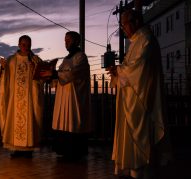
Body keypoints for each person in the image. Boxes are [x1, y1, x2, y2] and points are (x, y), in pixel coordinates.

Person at [107, 9, 172, 179]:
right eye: (121, 25)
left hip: (141, 98)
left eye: (124, 24)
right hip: (130, 98)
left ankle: (142, 169)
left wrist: (120, 70)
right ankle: (131, 166)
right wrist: (117, 71)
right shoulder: (135, 41)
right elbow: (129, 67)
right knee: (129, 135)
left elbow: (140, 68)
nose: (123, 29)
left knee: (141, 134)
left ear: (135, 22)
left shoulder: (147, 39)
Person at [0, 35, 44, 158]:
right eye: (23, 44)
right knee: (14, 120)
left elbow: (42, 77)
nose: (25, 47)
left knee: (31, 119)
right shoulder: (12, 60)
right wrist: (2, 68)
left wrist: (37, 70)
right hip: (15, 98)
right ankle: (16, 149)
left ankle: (29, 149)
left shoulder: (35, 60)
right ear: (18, 45)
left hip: (30, 97)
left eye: (28, 45)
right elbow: (3, 75)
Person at [51, 31, 93, 159]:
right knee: (63, 121)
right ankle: (64, 150)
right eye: (65, 40)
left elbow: (74, 73)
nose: (66, 43)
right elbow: (60, 75)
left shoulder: (81, 57)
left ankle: (75, 151)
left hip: (74, 98)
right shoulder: (66, 59)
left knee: (73, 120)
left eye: (68, 40)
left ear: (76, 41)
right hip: (63, 96)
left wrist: (56, 75)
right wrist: (51, 76)